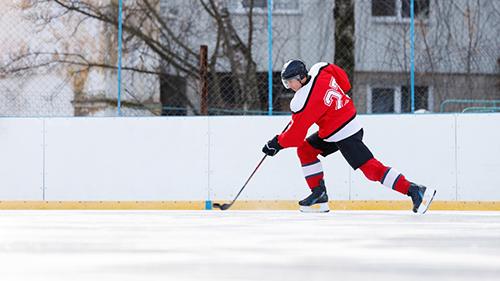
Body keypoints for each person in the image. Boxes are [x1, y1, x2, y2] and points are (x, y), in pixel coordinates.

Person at [262, 60, 436, 214]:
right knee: (306, 150)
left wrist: (276, 143)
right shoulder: (320, 69)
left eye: (290, 82)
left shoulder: (302, 101)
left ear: (300, 78)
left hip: (344, 133)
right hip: (341, 126)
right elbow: (343, 80)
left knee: (371, 170)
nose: (289, 86)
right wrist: (339, 95)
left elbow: (295, 136)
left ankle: (414, 190)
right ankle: (319, 194)